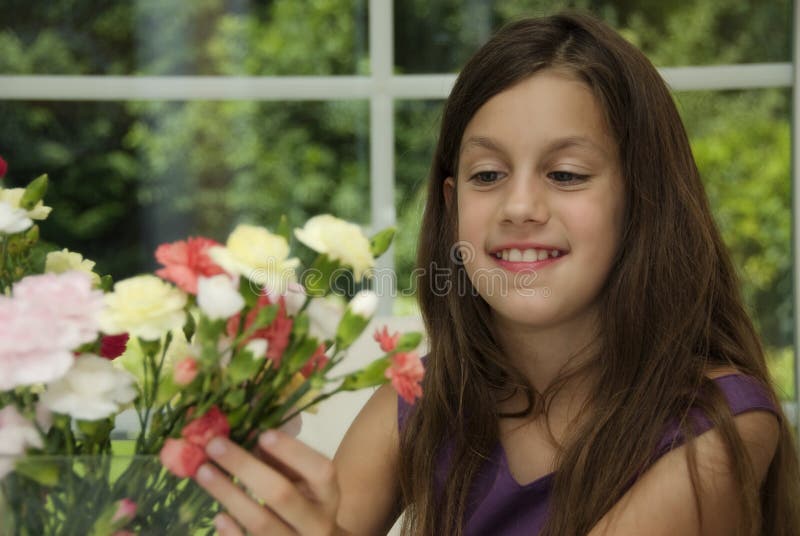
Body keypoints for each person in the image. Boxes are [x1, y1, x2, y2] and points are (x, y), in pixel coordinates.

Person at [195, 11, 800, 535]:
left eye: (566, 174)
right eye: (488, 176)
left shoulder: (722, 424)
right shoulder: (424, 401)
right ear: (453, 203)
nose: (519, 207)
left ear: (642, 201)